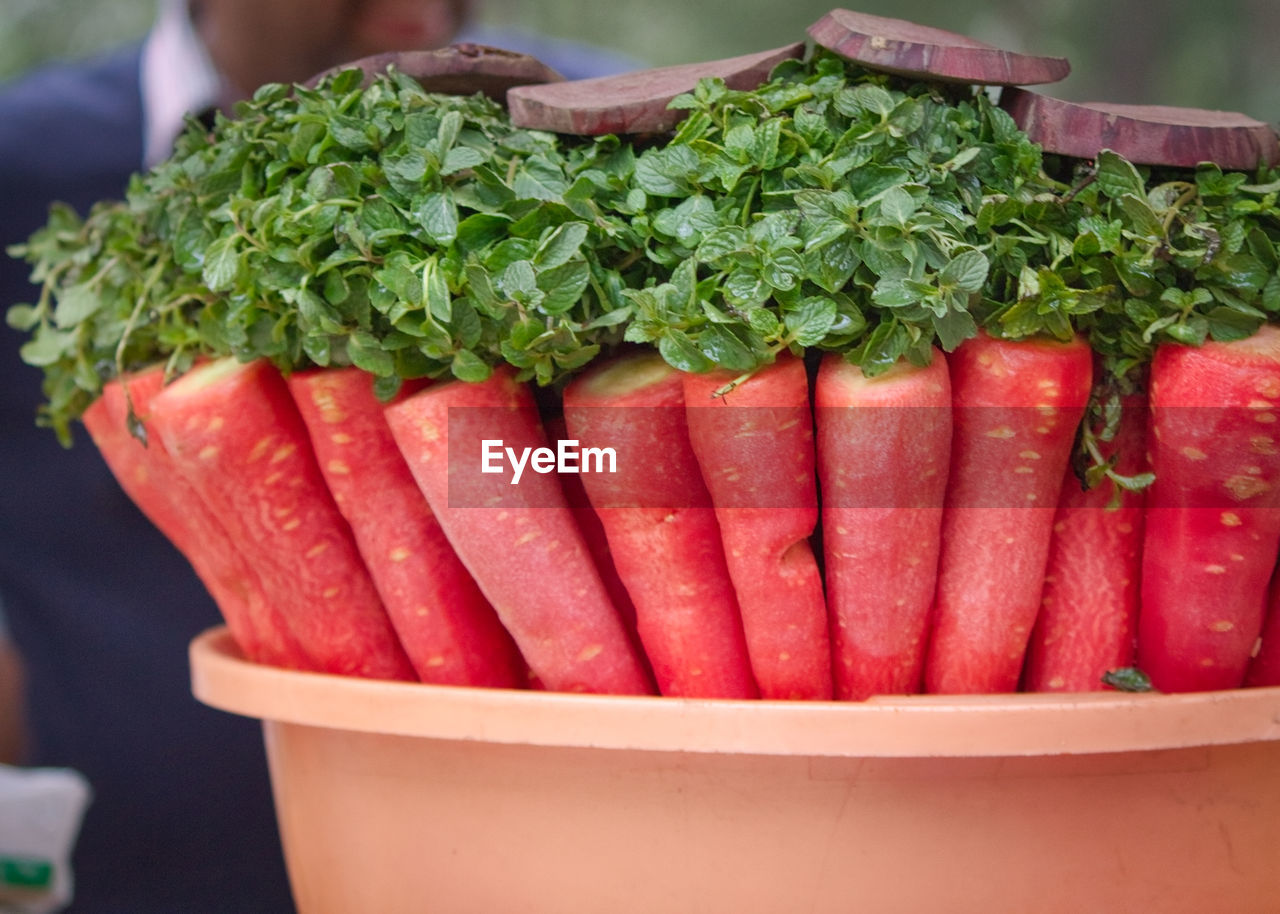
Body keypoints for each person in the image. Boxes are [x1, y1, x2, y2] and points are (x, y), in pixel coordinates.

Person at [0, 2, 638, 910]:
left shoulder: (615, 137)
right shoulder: (20, 169)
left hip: (547, 863)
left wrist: (504, 467)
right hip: (131, 874)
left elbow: (643, 478)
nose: (422, 14)